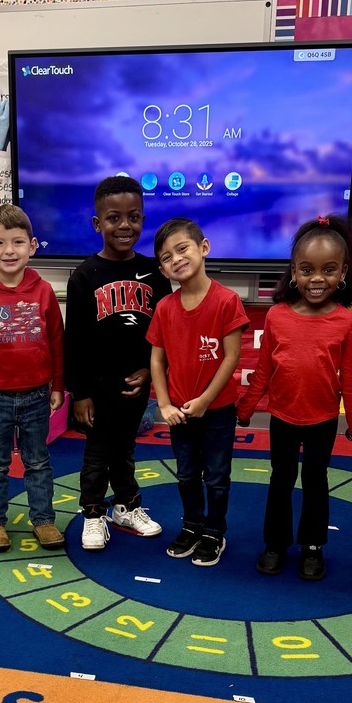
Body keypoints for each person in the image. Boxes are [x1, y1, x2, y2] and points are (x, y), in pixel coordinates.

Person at [237, 215, 352, 581]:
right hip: (283, 419)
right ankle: (275, 544)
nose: (317, 279)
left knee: (316, 481)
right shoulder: (277, 316)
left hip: (323, 420)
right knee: (280, 480)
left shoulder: (346, 321)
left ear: (342, 274)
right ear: (294, 271)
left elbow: (350, 377)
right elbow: (263, 370)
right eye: (307, 269)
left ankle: (312, 547)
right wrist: (246, 407)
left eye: (328, 270)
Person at [65, 177, 171, 551]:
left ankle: (126, 507)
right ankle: (93, 513)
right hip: (96, 388)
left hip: (135, 384)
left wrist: (149, 370)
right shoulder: (83, 277)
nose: (125, 226)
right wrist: (79, 394)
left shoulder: (157, 273)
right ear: (98, 224)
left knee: (124, 450)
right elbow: (73, 341)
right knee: (97, 453)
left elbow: (164, 331)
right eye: (113, 218)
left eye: (134, 217)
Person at [0, 204, 65, 553]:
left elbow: (57, 341)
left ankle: (43, 519)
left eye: (18, 242)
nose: (9, 251)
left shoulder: (44, 291)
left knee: (38, 462)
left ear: (32, 246)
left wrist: (58, 385)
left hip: (37, 395)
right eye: (0, 243)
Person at [147, 218, 248, 567]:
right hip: (179, 412)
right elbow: (157, 361)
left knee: (217, 476)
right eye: (166, 257)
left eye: (182, 248)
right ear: (162, 269)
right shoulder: (164, 309)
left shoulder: (226, 301)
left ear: (203, 248)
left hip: (217, 410)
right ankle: (192, 526)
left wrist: (205, 401)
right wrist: (163, 403)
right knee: (187, 473)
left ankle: (214, 532)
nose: (175, 259)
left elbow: (232, 357)